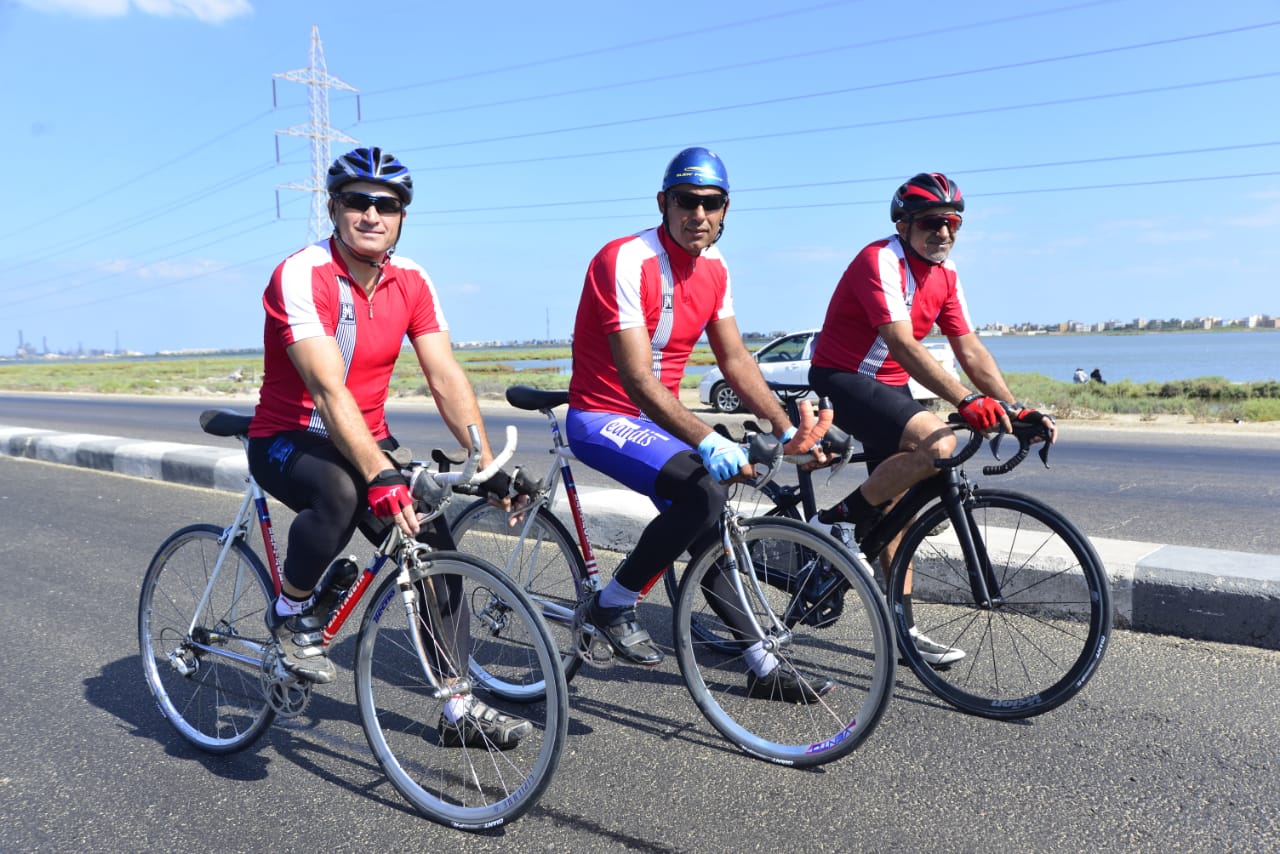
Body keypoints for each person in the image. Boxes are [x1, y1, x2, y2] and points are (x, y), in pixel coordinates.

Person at [247, 147, 531, 748]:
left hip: (362, 441)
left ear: (402, 216)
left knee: (432, 545)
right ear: (333, 208)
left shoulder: (413, 281)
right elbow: (326, 390)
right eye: (358, 201)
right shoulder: (302, 274)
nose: (372, 214)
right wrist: (380, 472)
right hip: (287, 437)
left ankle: (458, 709)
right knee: (344, 490)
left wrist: (484, 463)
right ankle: (291, 611)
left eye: (388, 205)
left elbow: (445, 375)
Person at [566, 146, 829, 701]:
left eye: (711, 204)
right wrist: (708, 437)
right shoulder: (626, 260)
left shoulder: (714, 267)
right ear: (664, 203)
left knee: (706, 521)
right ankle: (613, 604)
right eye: (686, 201)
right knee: (704, 493)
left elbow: (735, 361)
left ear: (726, 209)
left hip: (655, 422)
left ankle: (761, 664)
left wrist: (784, 429)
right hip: (603, 415)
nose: (699, 215)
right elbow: (638, 379)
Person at [808, 172, 1057, 665]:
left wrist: (1009, 405)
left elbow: (968, 346)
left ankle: (904, 627)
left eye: (953, 223)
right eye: (931, 223)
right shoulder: (879, 259)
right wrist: (966, 401)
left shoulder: (947, 274)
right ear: (903, 225)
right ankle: (835, 524)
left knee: (895, 510)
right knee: (939, 445)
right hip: (843, 375)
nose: (943, 232)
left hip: (891, 383)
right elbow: (901, 340)